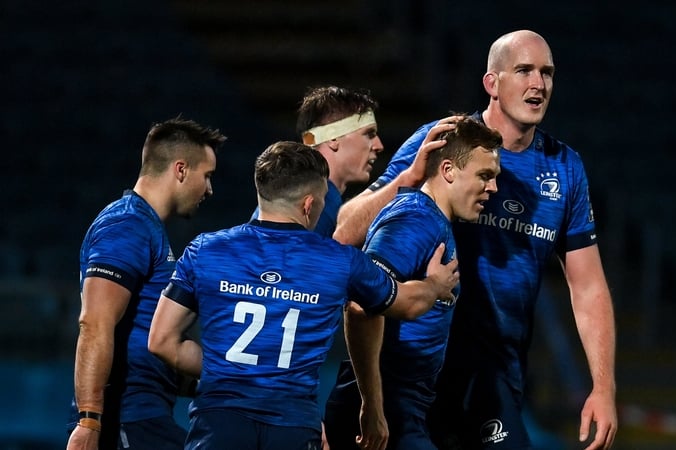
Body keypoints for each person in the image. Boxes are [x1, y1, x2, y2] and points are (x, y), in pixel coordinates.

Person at [333, 30, 618, 450]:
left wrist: (604, 387)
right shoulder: (445, 138)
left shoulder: (564, 167)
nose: (538, 83)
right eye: (523, 71)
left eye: (547, 73)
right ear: (492, 83)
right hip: (410, 361)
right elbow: (345, 229)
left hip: (494, 370)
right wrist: (409, 178)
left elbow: (588, 285)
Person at [147, 141, 460, 450]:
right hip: (292, 426)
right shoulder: (339, 261)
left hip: (218, 425)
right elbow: (406, 303)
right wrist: (436, 283)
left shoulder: (206, 250)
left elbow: (161, 341)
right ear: (309, 204)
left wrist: (232, 369)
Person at [324, 117, 503, 450]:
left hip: (400, 407)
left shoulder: (428, 218)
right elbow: (362, 306)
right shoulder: (415, 221)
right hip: (385, 409)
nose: (492, 188)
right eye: (484, 176)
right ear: (448, 170)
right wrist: (372, 406)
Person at [67, 117, 227, 450]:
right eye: (207, 176)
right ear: (180, 170)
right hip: (125, 421)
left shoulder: (147, 227)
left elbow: (139, 341)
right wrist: (88, 421)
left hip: (143, 415)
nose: (209, 189)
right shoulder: (126, 224)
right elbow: (94, 323)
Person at [250, 85, 384, 237]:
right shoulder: (317, 202)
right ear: (333, 138)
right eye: (369, 134)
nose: (379, 146)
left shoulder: (291, 195)